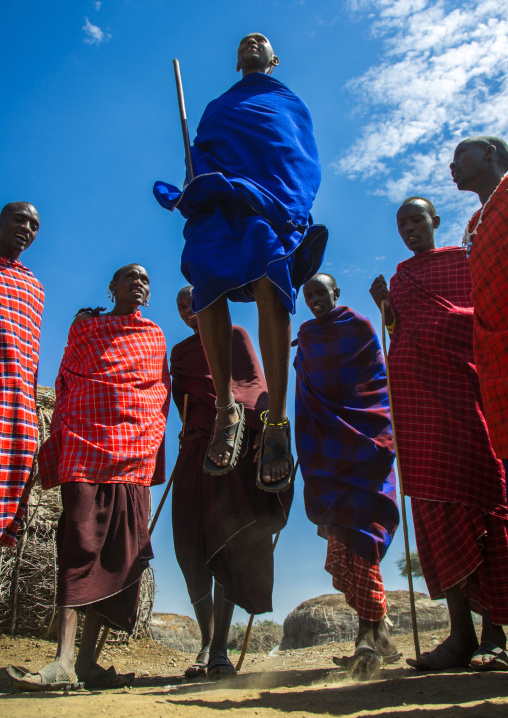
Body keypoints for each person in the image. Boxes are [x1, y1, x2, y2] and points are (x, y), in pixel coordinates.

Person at [154, 33, 327, 491]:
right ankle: (226, 408)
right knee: (204, 280)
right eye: (244, 42)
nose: (252, 40)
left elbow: (298, 157)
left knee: (272, 281)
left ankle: (276, 422)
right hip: (221, 200)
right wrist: (195, 166)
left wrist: (285, 198)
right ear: (237, 63)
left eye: (262, 41)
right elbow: (205, 150)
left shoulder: (289, 104)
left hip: (269, 202)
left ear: (274, 58)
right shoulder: (216, 106)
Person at [7, 264, 171, 691]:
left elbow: (158, 396)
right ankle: (62, 659)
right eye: (129, 277)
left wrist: (148, 446)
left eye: (145, 280)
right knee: (77, 544)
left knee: (119, 555)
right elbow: (68, 381)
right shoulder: (86, 330)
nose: (139, 282)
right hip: (85, 447)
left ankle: (86, 663)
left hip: (133, 457)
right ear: (112, 287)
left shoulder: (154, 337)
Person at [370, 196, 508, 672]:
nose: (408, 228)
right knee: (433, 513)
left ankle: (495, 634)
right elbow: (401, 331)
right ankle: (460, 636)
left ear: (435, 221)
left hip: (465, 404)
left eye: (416, 219)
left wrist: (436, 325)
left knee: (481, 505)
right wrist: (386, 308)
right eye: (401, 223)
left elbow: (483, 317)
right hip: (417, 411)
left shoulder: (463, 263)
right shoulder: (403, 277)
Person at [171, 286, 293, 679]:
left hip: (235, 447)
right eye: (184, 307)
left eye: (196, 301)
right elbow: (181, 406)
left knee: (230, 541)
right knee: (189, 545)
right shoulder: (180, 353)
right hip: (195, 453)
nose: (191, 310)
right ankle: (205, 641)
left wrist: (267, 435)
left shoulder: (236, 334)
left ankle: (220, 647)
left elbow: (256, 388)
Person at [294, 273, 400, 679]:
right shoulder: (304, 335)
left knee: (365, 537)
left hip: (365, 448)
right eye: (309, 295)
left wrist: (382, 434)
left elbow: (375, 384)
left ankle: (368, 636)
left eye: (322, 291)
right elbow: (305, 392)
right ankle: (377, 634)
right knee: (346, 536)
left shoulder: (360, 327)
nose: (316, 298)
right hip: (327, 452)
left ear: (336, 292)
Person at [0, 202, 44, 549]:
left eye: (34, 225)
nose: (27, 228)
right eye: (19, 219)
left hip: (16, 403)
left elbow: (30, 353)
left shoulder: (33, 287)